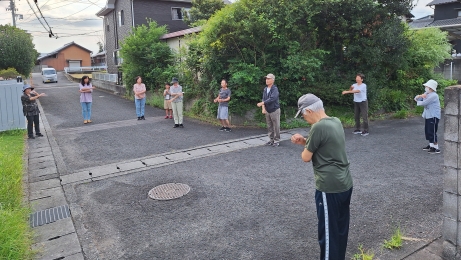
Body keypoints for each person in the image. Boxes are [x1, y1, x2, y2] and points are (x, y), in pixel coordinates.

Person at [291, 94, 353, 260]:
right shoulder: (336, 121)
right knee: (339, 230)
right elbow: (325, 145)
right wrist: (304, 141)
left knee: (328, 235)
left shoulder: (317, 127)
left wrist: (304, 146)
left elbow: (306, 157)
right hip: (344, 183)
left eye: (303, 115)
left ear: (309, 111)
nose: (304, 119)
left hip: (328, 187)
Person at [414, 79, 441, 154]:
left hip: (433, 116)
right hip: (428, 115)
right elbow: (416, 99)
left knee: (432, 131)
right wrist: (419, 96)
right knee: (428, 131)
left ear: (431, 88)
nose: (425, 87)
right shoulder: (427, 93)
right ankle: (431, 145)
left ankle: (436, 148)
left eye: (427, 86)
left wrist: (420, 99)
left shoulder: (434, 95)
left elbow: (423, 102)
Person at [257, 73, 280, 146]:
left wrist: (262, 103)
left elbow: (272, 99)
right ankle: (271, 139)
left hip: (274, 109)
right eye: (266, 79)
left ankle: (276, 140)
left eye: (268, 79)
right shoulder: (265, 89)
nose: (267, 80)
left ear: (272, 80)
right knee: (269, 125)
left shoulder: (275, 89)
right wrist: (263, 108)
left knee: (276, 125)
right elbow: (263, 98)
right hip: (267, 109)